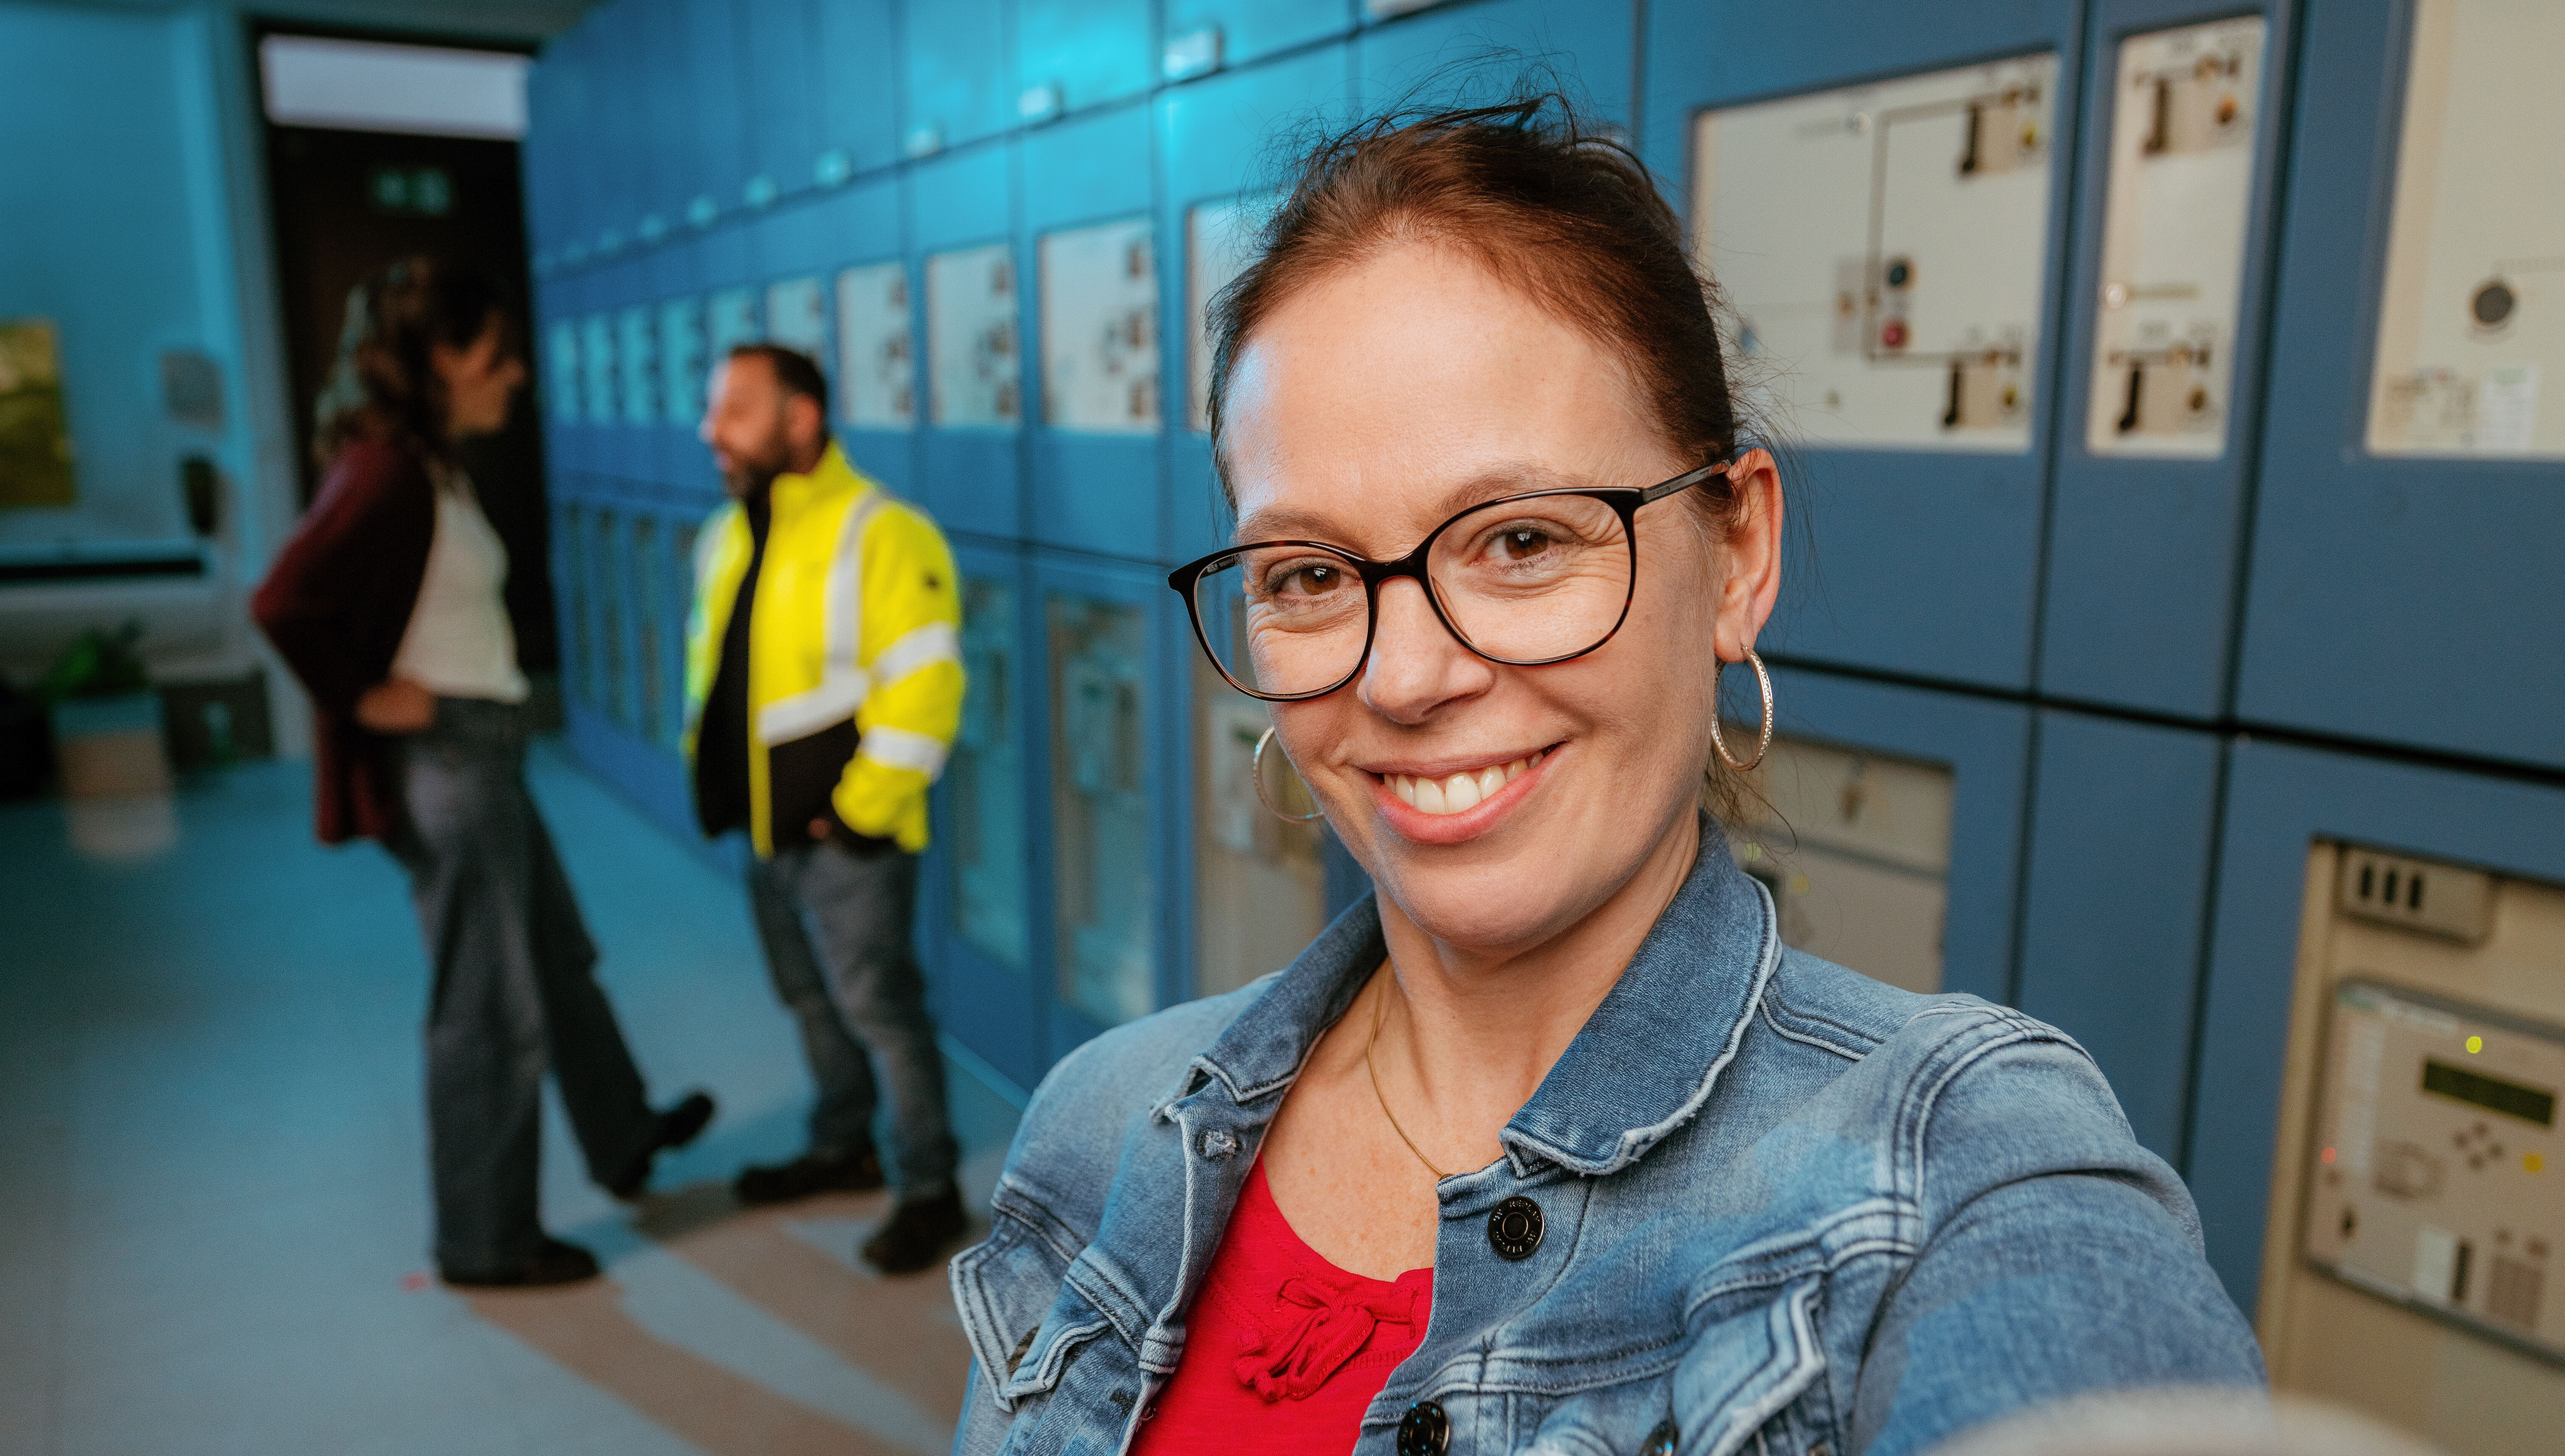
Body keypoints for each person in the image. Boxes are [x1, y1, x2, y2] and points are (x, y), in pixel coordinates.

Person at [947, 97, 2264, 1456]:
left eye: (1518, 542)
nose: (1402, 679)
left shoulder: (1949, 1172)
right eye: (1308, 575)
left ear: (1737, 554)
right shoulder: (1108, 1117)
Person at [254, 258, 714, 1289]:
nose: (515, 377)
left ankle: (624, 1130)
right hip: (449, 762)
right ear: (443, 358)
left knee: (557, 953)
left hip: (485, 749)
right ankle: (484, 1237)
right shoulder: (384, 469)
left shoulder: (429, 460)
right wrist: (364, 695)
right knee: (486, 1005)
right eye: (498, 356)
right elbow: (282, 601)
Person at [687, 343, 970, 1274]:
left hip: (850, 836)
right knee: (811, 999)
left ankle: (929, 1184)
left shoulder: (882, 530)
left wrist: (858, 813)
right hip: (765, 828)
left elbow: (926, 688)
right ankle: (844, 1144)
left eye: (734, 410)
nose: (710, 431)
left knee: (880, 1007)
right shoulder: (730, 534)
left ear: (800, 418)